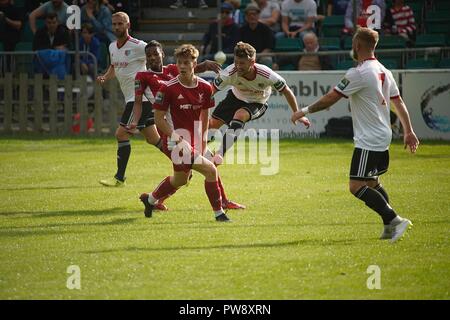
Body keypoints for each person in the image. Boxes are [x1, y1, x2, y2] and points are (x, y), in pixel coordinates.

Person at [292, 27, 419, 243]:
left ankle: (394, 219)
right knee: (371, 183)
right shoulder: (384, 70)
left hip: (369, 138)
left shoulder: (358, 73)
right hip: (382, 134)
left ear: (357, 46)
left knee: (356, 186)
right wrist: (409, 131)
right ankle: (390, 226)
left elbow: (330, 98)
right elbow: (399, 103)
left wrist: (303, 111)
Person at [130, 40, 245, 210]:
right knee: (196, 172)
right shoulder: (143, 77)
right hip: (172, 133)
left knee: (191, 173)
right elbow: (138, 102)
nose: (153, 58)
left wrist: (204, 64)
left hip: (191, 131)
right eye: (149, 55)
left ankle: (154, 200)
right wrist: (134, 121)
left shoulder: (172, 69)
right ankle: (219, 209)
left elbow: (190, 68)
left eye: (156, 54)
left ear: (163, 54)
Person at [209, 41, 310, 160]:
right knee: (211, 125)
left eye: (242, 63)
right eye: (236, 62)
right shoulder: (229, 73)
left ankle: (220, 153)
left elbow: (287, 92)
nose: (238, 66)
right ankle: (200, 152)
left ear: (252, 62)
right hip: (234, 97)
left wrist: (297, 113)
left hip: (258, 103)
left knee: (240, 115)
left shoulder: (267, 75)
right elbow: (210, 91)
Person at [0, 0, 22, 73]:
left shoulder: (14, 9)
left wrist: (5, 19)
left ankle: (7, 73)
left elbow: (18, 25)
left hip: (10, 39)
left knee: (9, 42)